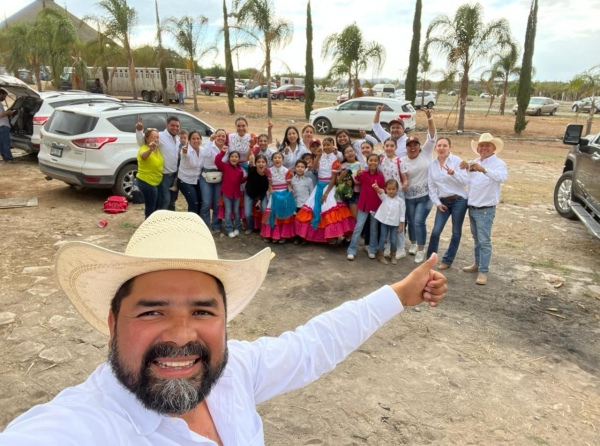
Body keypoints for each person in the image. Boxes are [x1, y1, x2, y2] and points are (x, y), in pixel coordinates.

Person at [0, 210, 447, 445]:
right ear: (113, 322)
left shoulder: (235, 372)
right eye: (152, 311)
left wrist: (399, 294)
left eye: (202, 311)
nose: (180, 335)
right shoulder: (83, 426)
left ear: (224, 319)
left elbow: (314, 344)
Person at [459, 133, 508, 285]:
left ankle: (483, 271)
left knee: (484, 241)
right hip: (473, 207)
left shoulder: (499, 164)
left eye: (487, 145)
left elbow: (501, 177)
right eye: (481, 145)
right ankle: (477, 263)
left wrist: (484, 169)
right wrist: (462, 168)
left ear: (494, 148)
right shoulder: (474, 162)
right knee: (476, 239)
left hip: (485, 208)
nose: (483, 148)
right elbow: (466, 180)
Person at [295, 137, 356, 243]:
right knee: (315, 209)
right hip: (319, 186)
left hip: (329, 187)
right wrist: (318, 156)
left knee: (328, 210)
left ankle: (331, 236)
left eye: (329, 144)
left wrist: (326, 194)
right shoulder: (321, 156)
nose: (327, 147)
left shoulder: (335, 159)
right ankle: (318, 236)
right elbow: (313, 168)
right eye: (325, 145)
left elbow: (333, 179)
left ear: (333, 145)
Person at [426, 137, 469, 270]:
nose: (442, 148)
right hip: (443, 201)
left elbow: (465, 181)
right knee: (436, 231)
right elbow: (431, 186)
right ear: (435, 148)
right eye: (439, 145)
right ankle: (430, 259)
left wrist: (453, 173)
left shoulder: (457, 161)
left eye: (445, 145)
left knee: (456, 232)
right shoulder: (432, 165)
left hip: (459, 200)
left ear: (450, 147)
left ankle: (447, 260)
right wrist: (437, 203)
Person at [402, 110, 437, 264]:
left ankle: (421, 249)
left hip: (425, 195)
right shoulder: (402, 160)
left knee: (419, 221)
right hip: (409, 196)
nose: (413, 147)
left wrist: (429, 118)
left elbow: (432, 135)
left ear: (419, 146)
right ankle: (414, 243)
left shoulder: (426, 153)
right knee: (410, 220)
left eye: (415, 144)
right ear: (406, 147)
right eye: (410, 145)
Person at [136, 116, 180, 211]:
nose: (175, 128)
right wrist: (139, 131)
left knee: (173, 200)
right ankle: (160, 221)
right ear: (166, 125)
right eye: (172, 125)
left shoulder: (178, 138)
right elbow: (142, 143)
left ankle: (170, 221)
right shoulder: (160, 136)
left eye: (177, 126)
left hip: (175, 176)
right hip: (164, 176)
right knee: (165, 201)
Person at [346, 153, 385, 260]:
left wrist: (378, 189)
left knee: (373, 228)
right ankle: (351, 250)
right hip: (363, 205)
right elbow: (358, 179)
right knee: (358, 227)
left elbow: (382, 192)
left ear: (378, 162)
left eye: (375, 160)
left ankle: (372, 249)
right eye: (370, 160)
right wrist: (358, 175)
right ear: (367, 162)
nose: (373, 162)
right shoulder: (363, 173)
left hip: (376, 206)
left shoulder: (381, 176)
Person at [260, 151, 296, 243]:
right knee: (272, 213)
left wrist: (290, 189)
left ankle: (283, 236)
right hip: (274, 194)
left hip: (284, 194)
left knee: (283, 213)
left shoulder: (287, 171)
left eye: (279, 158)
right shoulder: (269, 171)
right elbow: (270, 183)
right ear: (272, 160)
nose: (277, 159)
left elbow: (288, 184)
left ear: (283, 160)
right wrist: (271, 190)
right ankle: (271, 235)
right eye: (275, 158)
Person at [373, 179, 406, 265]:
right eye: (389, 189)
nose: (391, 191)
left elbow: (402, 214)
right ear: (386, 189)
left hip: (394, 224)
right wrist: (377, 188)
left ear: (397, 189)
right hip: (384, 222)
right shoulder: (385, 197)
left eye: (393, 189)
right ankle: (381, 255)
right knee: (383, 238)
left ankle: (393, 254)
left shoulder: (400, 201)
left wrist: (401, 225)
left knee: (393, 240)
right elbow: (380, 192)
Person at [215, 149, 247, 238]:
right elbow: (217, 161)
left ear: (239, 159)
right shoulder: (225, 166)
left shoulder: (240, 170)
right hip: (226, 193)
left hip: (236, 194)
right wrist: (222, 152)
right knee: (228, 212)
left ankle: (237, 227)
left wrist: (246, 178)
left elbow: (240, 181)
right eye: (232, 156)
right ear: (229, 158)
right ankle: (229, 229)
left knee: (236, 211)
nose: (234, 158)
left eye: (236, 157)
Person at [199, 129, 225, 233]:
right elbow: (204, 154)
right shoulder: (210, 145)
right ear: (215, 136)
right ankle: (205, 225)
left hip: (219, 176)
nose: (221, 138)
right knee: (206, 202)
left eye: (223, 136)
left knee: (217, 203)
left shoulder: (226, 148)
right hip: (207, 175)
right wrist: (210, 141)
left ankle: (216, 225)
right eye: (219, 136)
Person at [135, 128, 163, 219]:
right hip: (147, 181)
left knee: (157, 205)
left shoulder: (157, 149)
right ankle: (148, 226)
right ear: (147, 139)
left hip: (155, 182)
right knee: (151, 207)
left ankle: (152, 224)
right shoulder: (144, 148)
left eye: (157, 137)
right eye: (152, 137)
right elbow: (143, 156)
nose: (155, 139)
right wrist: (150, 149)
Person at [177, 130, 203, 214]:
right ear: (189, 140)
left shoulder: (202, 151)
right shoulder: (186, 149)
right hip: (185, 180)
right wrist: (184, 152)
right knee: (193, 203)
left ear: (201, 140)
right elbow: (184, 155)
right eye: (193, 139)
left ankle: (198, 223)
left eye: (198, 138)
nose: (196, 141)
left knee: (201, 202)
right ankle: (191, 224)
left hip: (197, 180)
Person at [244, 153, 269, 234]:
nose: (261, 164)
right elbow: (250, 166)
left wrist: (260, 199)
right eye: (258, 162)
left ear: (266, 163)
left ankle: (265, 229)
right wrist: (251, 162)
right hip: (249, 193)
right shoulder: (252, 170)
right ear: (256, 163)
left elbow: (265, 189)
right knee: (247, 214)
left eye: (263, 162)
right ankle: (250, 227)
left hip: (261, 194)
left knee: (264, 210)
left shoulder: (267, 175)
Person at [337, 145, 363, 220]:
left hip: (359, 193)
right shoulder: (341, 166)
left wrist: (353, 182)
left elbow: (365, 180)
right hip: (347, 194)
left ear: (355, 152)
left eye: (351, 151)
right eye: (347, 152)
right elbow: (338, 181)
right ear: (344, 156)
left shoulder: (362, 165)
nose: (350, 153)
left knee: (358, 217)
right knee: (352, 217)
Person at [0, 88, 15, 163]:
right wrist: (8, 113)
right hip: (3, 126)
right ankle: (9, 158)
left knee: (1, 143)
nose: (5, 98)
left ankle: (5, 157)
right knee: (5, 143)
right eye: (4, 96)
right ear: (1, 94)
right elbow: (0, 115)